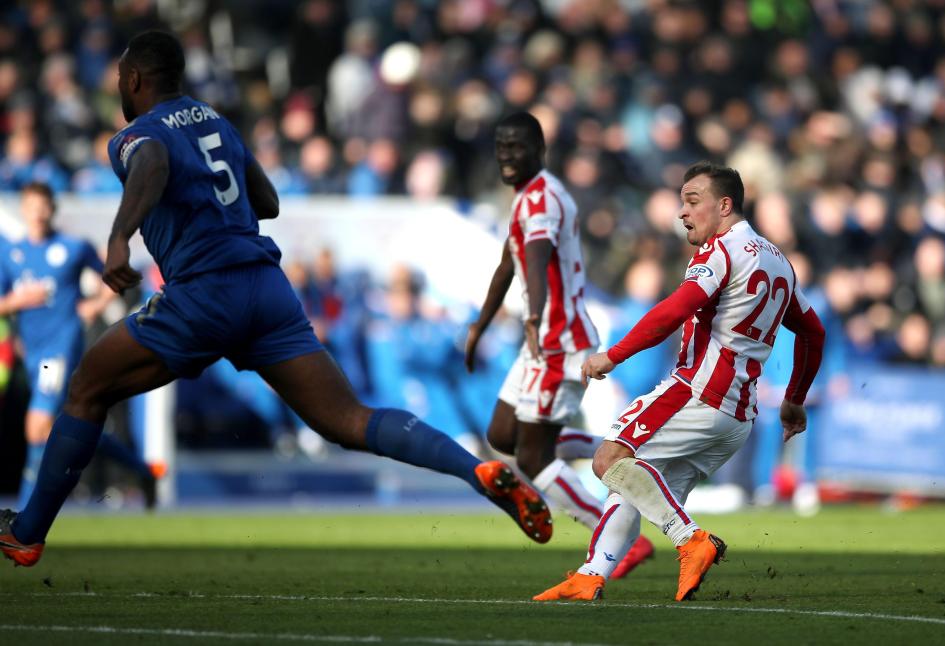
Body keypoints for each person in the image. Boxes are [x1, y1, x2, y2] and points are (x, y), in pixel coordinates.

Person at [0, 30, 551, 568]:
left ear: (135, 78)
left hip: (202, 292)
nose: (119, 87)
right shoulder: (218, 122)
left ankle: (27, 533)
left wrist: (122, 236)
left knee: (87, 387)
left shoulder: (135, 136)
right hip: (266, 290)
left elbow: (153, 164)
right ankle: (474, 471)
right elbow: (267, 200)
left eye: (121, 78)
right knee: (348, 419)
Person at [533, 161, 825, 602]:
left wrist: (613, 355)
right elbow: (813, 332)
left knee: (608, 459)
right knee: (636, 487)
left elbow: (672, 311)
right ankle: (591, 575)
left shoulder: (721, 253)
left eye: (692, 201)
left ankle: (690, 539)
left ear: (724, 205)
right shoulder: (779, 261)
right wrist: (794, 400)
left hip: (698, 391)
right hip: (737, 418)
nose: (682, 213)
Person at [464, 112, 653, 569]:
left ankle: (615, 533)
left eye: (518, 146)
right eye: (502, 146)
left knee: (531, 457)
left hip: (559, 343)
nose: (508, 155)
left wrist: (531, 314)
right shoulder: (525, 198)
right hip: (541, 340)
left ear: (540, 150)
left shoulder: (544, 199)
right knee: (502, 435)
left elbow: (536, 257)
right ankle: (619, 448)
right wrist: (480, 323)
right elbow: (508, 265)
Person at [0, 182, 157, 511]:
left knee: (37, 426)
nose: (38, 213)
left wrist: (95, 305)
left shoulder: (72, 247)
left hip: (58, 349)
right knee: (70, 424)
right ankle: (142, 472)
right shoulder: (10, 254)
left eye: (44, 206)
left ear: (52, 210)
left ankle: (24, 519)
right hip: (32, 351)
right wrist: (18, 300)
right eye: (32, 206)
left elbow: (117, 275)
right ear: (24, 210)